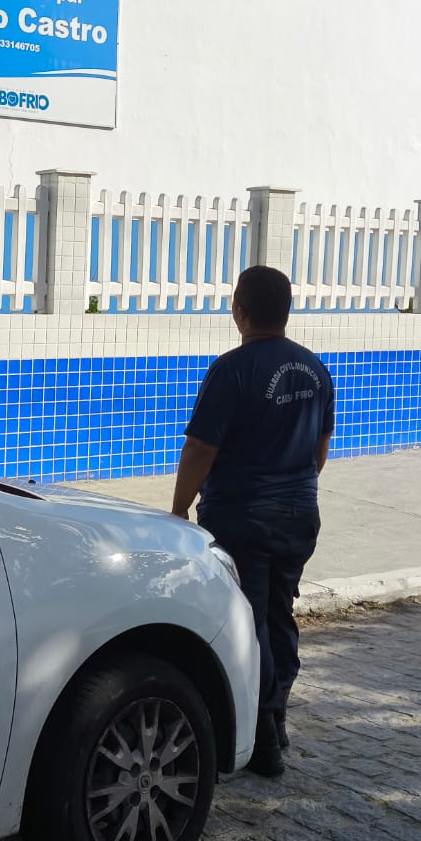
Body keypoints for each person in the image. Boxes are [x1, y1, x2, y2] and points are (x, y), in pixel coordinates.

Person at [171, 265, 334, 778]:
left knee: (252, 621)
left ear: (239, 311)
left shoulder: (232, 369)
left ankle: (262, 737)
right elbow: (320, 448)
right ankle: (277, 718)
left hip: (244, 517)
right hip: (299, 514)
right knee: (280, 615)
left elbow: (201, 448)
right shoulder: (315, 369)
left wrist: (178, 509)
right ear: (286, 311)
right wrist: (295, 490)